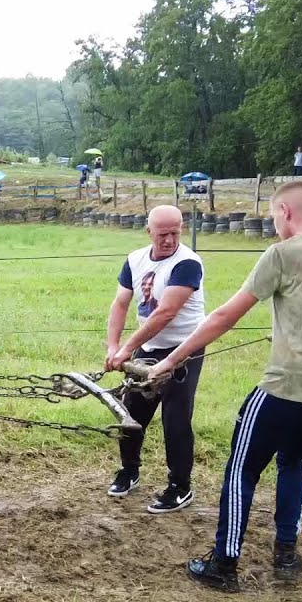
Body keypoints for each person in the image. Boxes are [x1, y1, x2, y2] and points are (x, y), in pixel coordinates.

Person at [146, 182, 302, 591]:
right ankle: (286, 553)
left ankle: (224, 563)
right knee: (293, 461)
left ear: (285, 211)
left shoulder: (282, 255)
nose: (274, 225)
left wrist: (169, 359)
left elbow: (223, 317)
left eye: (273, 217)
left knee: (241, 470)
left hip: (284, 388)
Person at [104, 206, 206, 513]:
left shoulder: (188, 263)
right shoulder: (135, 259)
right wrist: (113, 346)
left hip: (182, 350)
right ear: (150, 232)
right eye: (163, 234)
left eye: (175, 232)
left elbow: (166, 313)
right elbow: (121, 303)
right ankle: (130, 471)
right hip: (147, 350)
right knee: (131, 414)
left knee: (175, 419)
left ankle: (180, 486)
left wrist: (127, 348)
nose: (169, 240)